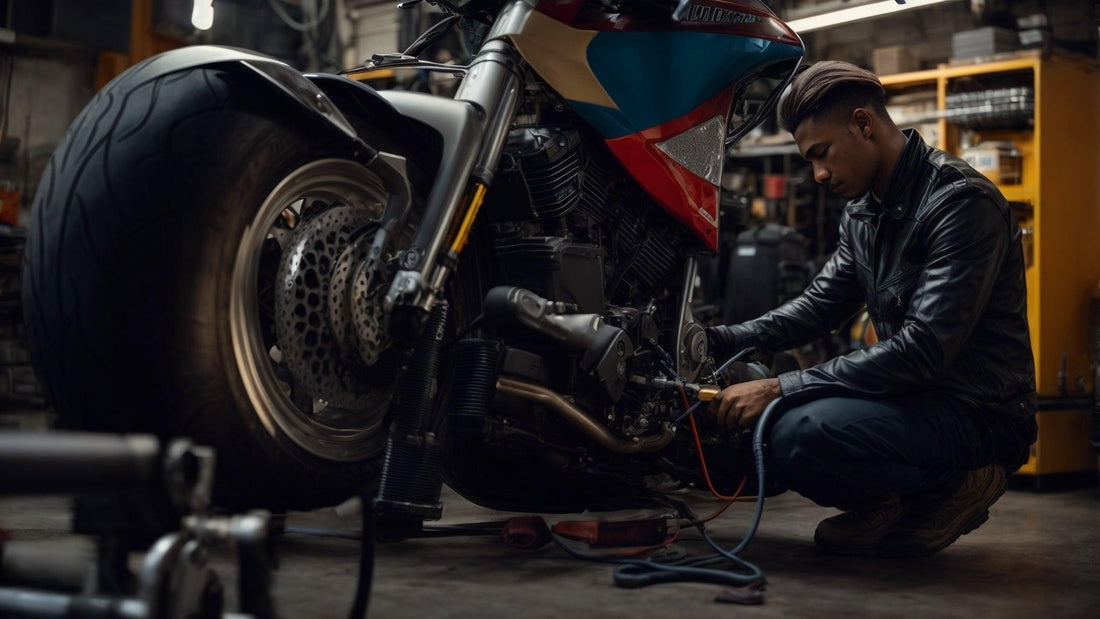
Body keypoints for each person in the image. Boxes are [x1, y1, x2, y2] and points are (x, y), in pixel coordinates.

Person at [705, 61, 1038, 558]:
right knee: (770, 427)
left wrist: (780, 386)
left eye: (822, 154)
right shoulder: (863, 211)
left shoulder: (960, 204)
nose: (818, 175)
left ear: (863, 124)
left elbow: (923, 350)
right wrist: (722, 339)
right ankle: (891, 503)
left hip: (980, 413)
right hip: (917, 398)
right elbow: (819, 307)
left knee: (800, 432)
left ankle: (959, 481)